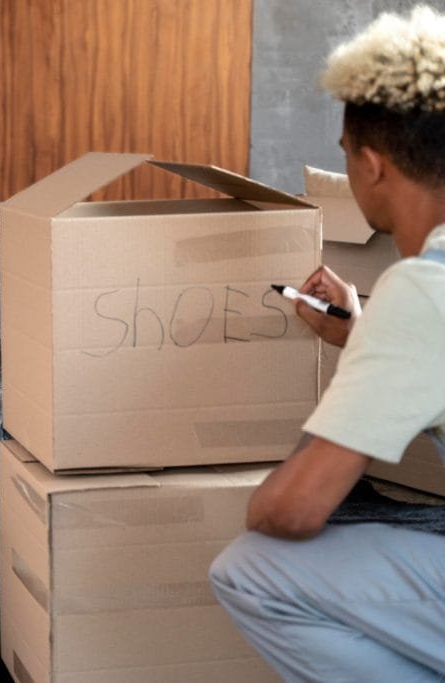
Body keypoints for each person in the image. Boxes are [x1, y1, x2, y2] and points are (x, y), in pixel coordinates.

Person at [209, 6, 445, 680]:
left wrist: (249, 496)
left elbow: (290, 510)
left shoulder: (421, 292)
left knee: (252, 568)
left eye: (343, 153)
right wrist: (365, 335)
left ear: (371, 166)